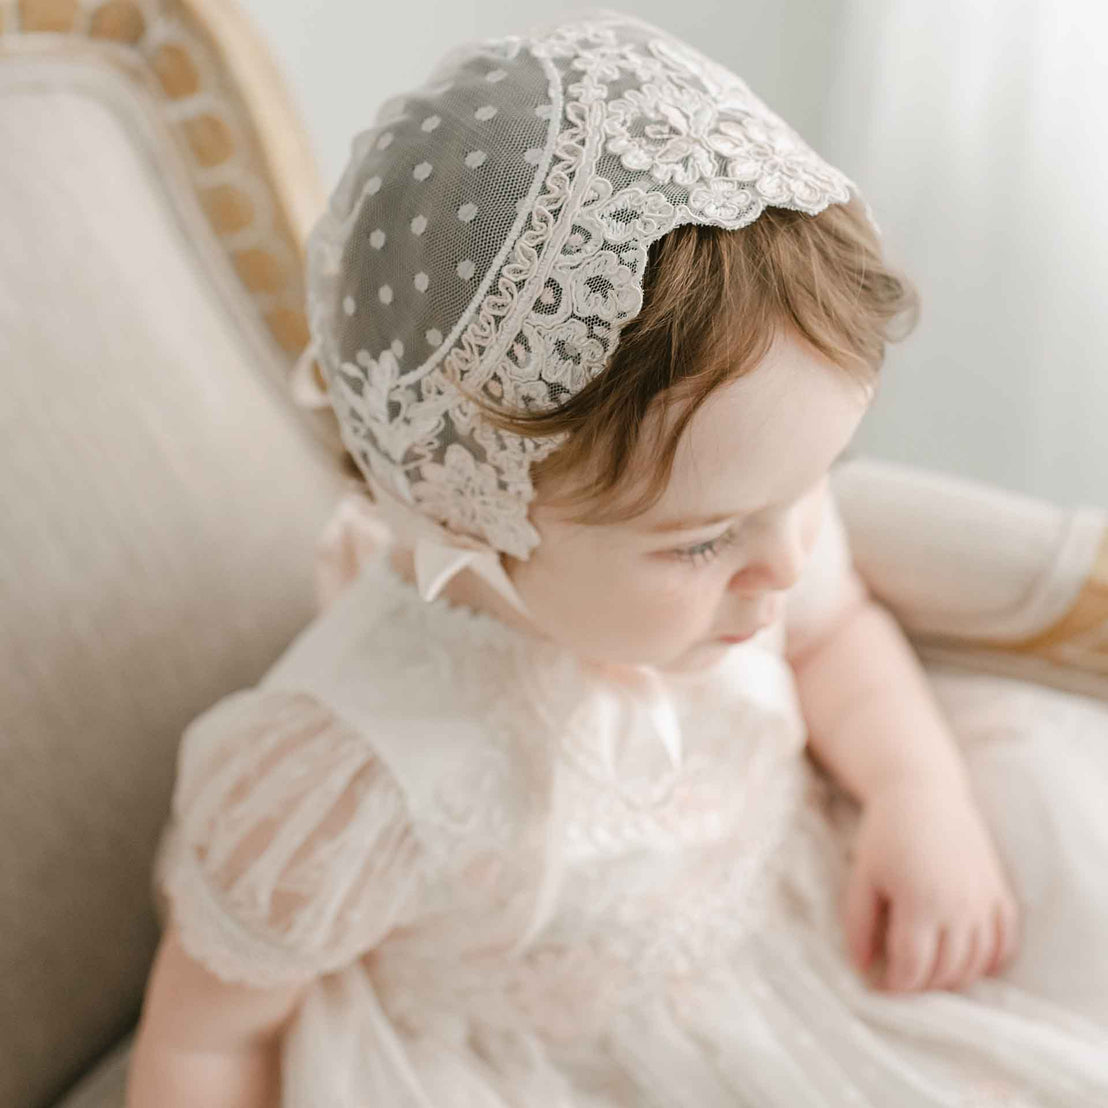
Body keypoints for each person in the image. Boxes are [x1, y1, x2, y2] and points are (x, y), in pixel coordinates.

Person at [125, 10, 1108, 1106]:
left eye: (810, 487)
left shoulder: (758, 546)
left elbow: (835, 634)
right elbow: (208, 1039)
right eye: (701, 541)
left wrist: (913, 791)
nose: (786, 560)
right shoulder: (361, 765)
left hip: (790, 941)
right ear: (482, 517)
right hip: (542, 1061)